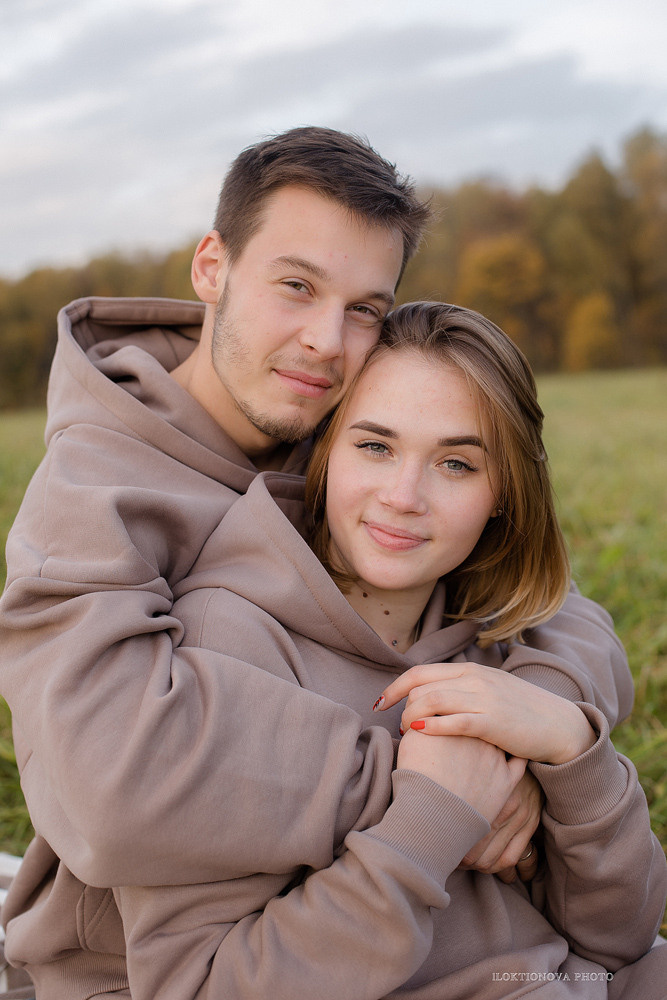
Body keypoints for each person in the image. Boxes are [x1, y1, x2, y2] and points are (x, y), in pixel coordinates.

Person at [0, 128, 633, 996]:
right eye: (295, 287)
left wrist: (524, 734)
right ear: (212, 267)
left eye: (363, 308)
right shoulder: (92, 495)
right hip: (157, 950)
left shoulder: (335, 428)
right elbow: (110, 786)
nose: (325, 342)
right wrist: (431, 780)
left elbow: (555, 607)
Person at [111, 301, 667, 999]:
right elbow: (203, 986)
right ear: (324, 452)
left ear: (504, 493)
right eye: (374, 446)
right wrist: (432, 817)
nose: (404, 497)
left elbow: (619, 941)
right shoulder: (230, 644)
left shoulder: (510, 636)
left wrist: (566, 749)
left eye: (457, 463)